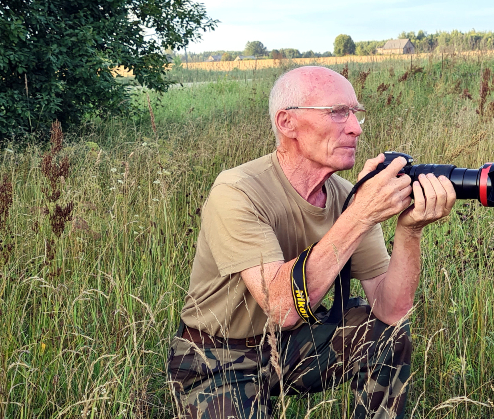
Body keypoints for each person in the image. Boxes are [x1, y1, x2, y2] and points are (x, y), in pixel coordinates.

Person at [167, 65, 456, 419]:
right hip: (216, 355)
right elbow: (282, 308)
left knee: (387, 335)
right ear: (287, 123)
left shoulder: (349, 196)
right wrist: (362, 214)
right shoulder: (237, 190)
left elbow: (392, 310)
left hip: (292, 345)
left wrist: (410, 231)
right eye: (337, 113)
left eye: (355, 113)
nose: (355, 127)